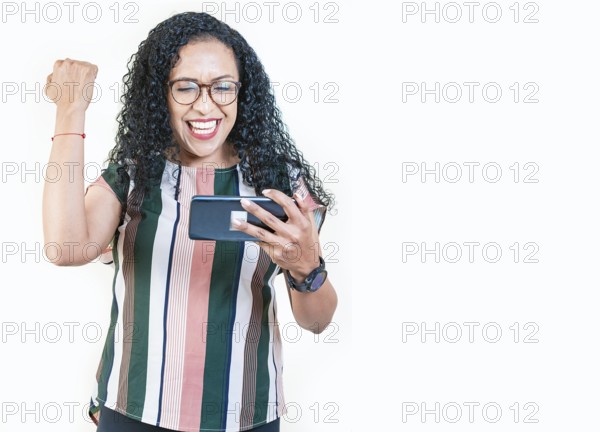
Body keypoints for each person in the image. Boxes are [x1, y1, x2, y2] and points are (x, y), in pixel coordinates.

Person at [42, 11, 338, 432]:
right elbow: (65, 248)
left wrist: (307, 267)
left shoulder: (283, 184)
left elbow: (318, 321)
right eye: (185, 87)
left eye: (222, 87)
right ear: (159, 94)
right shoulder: (133, 173)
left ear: (241, 92)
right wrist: (71, 110)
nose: (205, 105)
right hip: (134, 411)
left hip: (244, 416)